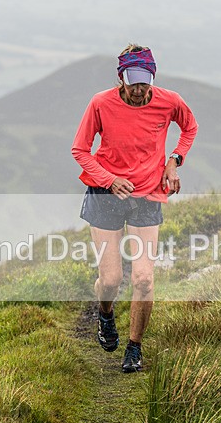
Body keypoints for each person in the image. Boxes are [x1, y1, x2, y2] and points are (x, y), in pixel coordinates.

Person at [71, 44, 198, 373]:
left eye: (145, 81)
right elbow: (80, 150)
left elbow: (189, 128)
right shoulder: (101, 104)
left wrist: (174, 162)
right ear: (120, 79)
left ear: (153, 77)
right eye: (133, 81)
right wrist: (110, 180)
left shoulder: (169, 101)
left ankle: (134, 347)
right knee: (111, 279)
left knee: (143, 278)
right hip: (105, 194)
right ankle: (105, 313)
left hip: (147, 195)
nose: (140, 89)